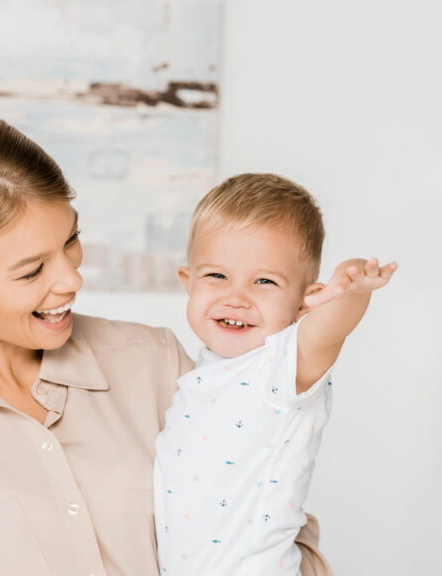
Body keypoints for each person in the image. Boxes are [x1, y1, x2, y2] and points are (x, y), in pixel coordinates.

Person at [0, 118, 331, 576]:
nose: (72, 279)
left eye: (71, 241)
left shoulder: (157, 365)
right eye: (32, 270)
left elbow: (271, 519)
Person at [154, 173, 396, 575]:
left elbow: (329, 330)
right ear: (188, 281)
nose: (236, 297)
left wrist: (351, 289)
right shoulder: (201, 374)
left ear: (306, 303)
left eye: (264, 281)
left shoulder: (281, 366)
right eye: (217, 276)